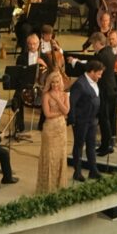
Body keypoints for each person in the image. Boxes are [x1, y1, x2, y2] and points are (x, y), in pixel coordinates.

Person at [37, 53, 70, 192]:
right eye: (53, 82)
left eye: (57, 82)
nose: (55, 85)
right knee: (50, 157)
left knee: (60, 156)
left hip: (61, 129)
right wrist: (60, 111)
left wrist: (58, 101)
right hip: (50, 129)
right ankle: (47, 188)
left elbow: (67, 111)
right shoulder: (46, 95)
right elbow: (48, 114)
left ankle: (59, 186)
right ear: (49, 83)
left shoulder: (65, 94)